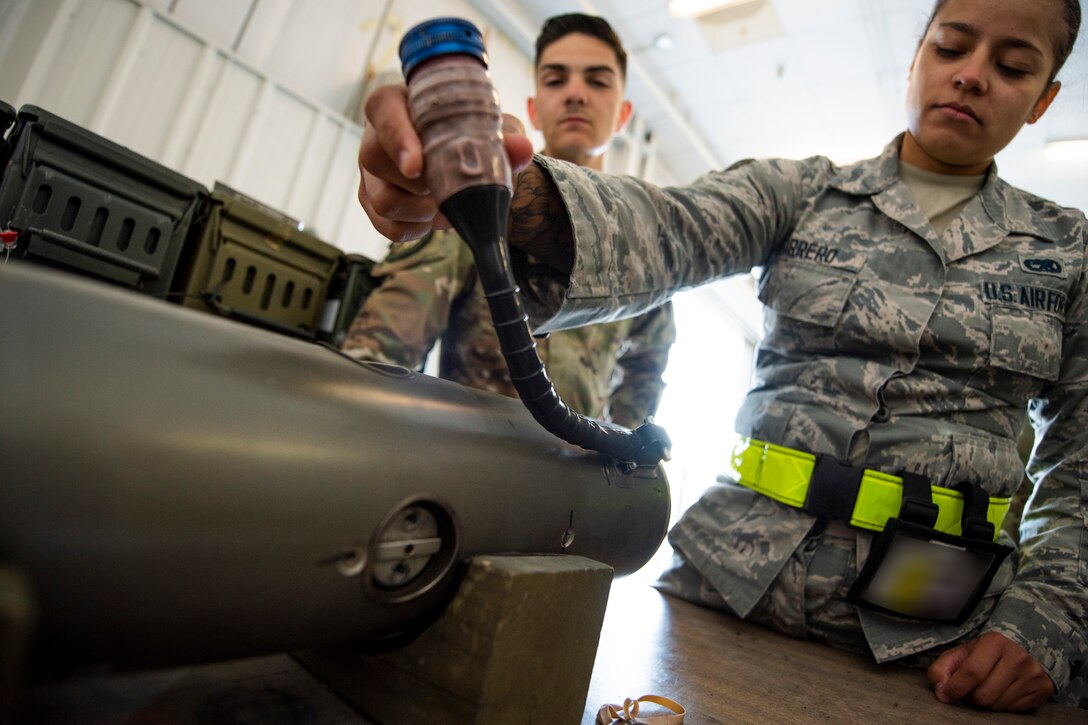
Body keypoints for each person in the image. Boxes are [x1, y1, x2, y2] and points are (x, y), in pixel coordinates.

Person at [357, 0, 1086, 712]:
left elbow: (1081, 468)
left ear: (1045, 99)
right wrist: (495, 180)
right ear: (916, 56)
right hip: (730, 583)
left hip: (932, 633)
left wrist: (1046, 619)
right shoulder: (803, 194)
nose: (971, 75)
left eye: (1013, 65)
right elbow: (669, 227)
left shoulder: (1069, 251)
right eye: (951, 47)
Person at [343, 14, 675, 428]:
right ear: (534, 110)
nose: (575, 94)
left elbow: (646, 373)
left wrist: (620, 460)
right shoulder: (474, 212)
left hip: (577, 481)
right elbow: (379, 357)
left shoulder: (638, 244)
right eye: (556, 80)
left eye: (597, 80)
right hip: (473, 474)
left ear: (624, 115)